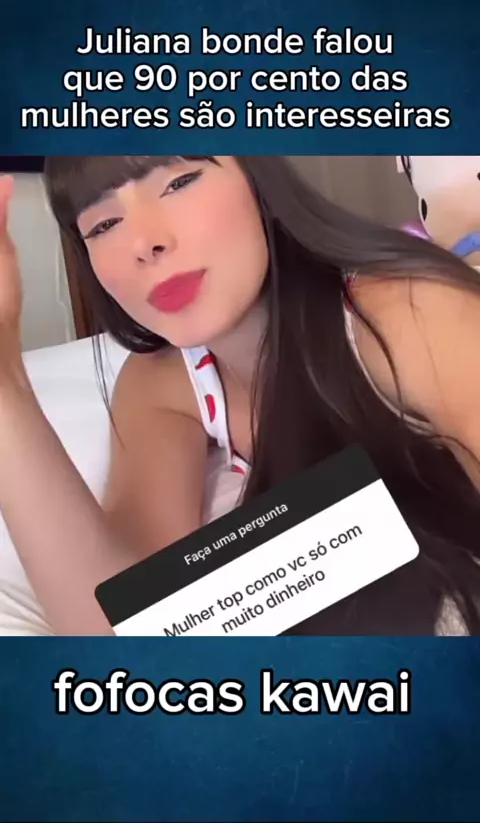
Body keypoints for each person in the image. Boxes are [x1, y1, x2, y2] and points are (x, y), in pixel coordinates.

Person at [1, 155, 480, 636]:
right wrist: (7, 385)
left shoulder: (404, 310)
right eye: (104, 224)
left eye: (179, 183)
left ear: (259, 179)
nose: (144, 243)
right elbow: (121, 632)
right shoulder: (163, 382)